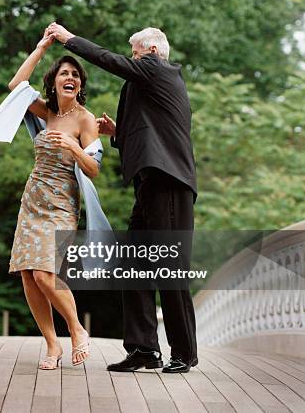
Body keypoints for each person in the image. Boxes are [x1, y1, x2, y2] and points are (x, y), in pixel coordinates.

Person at [48, 23, 198, 373]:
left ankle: (184, 353)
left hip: (170, 183)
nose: (132, 59)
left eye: (135, 53)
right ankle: (144, 349)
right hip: (149, 184)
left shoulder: (160, 69)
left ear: (151, 52)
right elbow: (153, 133)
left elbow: (107, 59)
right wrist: (119, 134)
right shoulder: (151, 84)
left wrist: (70, 39)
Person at [4, 29, 102, 369]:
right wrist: (42, 46)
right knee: (28, 275)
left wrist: (74, 147)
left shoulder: (86, 120)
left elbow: (94, 169)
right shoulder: (46, 113)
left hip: (61, 205)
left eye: (75, 74)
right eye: (65, 73)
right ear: (54, 82)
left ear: (80, 84)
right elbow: (15, 87)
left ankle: (76, 330)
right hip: (32, 200)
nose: (70, 78)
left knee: (45, 274)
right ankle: (51, 345)